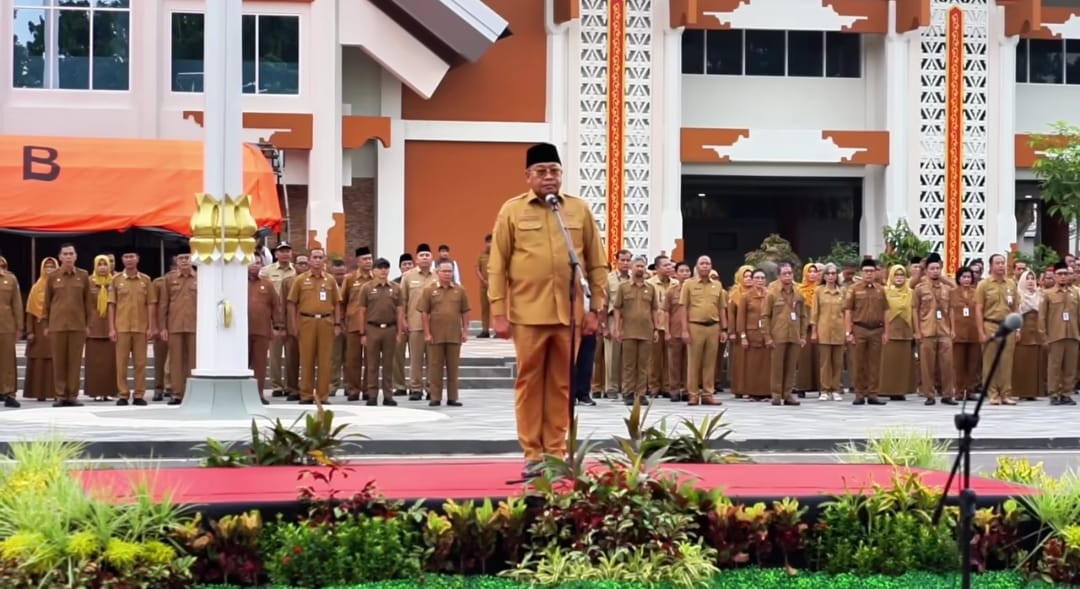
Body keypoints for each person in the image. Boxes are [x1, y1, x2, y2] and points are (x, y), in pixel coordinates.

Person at [488, 142, 607, 478]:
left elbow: (596, 263)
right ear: (528, 176)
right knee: (529, 383)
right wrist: (498, 311)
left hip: (570, 314)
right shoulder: (512, 210)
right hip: (528, 312)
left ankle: (555, 452)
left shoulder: (578, 209)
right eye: (541, 172)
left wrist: (596, 309)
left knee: (562, 384)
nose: (549, 177)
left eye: (554, 171)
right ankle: (532, 453)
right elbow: (497, 264)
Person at [43, 244, 94, 407]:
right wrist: (46, 324)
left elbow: (88, 303)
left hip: (78, 326)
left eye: (71, 253)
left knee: (75, 362)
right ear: (60, 257)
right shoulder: (53, 276)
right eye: (65, 254)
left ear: (76, 256)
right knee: (59, 361)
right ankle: (60, 395)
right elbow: (47, 302)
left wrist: (88, 324)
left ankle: (72, 395)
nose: (68, 257)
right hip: (57, 325)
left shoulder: (83, 276)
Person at [288, 248, 342, 405]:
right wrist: (294, 325)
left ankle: (322, 395)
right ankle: (306, 394)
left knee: (325, 360)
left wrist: (337, 323)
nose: (317, 260)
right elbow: (292, 303)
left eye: (320, 257)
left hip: (326, 322)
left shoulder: (330, 280)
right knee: (307, 359)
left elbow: (337, 303)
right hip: (307, 322)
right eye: (314, 257)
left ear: (324, 260)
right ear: (310, 260)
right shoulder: (300, 280)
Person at [418, 259, 471, 406]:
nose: (448, 274)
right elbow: (424, 312)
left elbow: (465, 311)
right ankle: (435, 397)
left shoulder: (460, 290)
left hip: (454, 334)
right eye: (444, 271)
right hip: (436, 335)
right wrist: (427, 333)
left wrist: (465, 331)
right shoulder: (429, 290)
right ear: (437, 272)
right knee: (435, 367)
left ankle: (453, 397)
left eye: (450, 271)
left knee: (453, 368)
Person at [109, 250, 156, 406]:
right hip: (121, 327)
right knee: (121, 363)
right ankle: (123, 394)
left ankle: (139, 394)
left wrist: (151, 327)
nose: (129, 259)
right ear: (122, 259)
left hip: (140, 328)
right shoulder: (116, 280)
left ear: (138, 259)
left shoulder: (146, 280)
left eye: (132, 256)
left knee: (140, 363)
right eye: (126, 257)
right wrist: (111, 328)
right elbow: (112, 305)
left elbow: (151, 304)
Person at [360, 257, 405, 406]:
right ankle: (372, 395)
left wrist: (399, 332)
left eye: (386, 268)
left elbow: (399, 311)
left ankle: (388, 395)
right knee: (372, 364)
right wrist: (363, 333)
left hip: (390, 329)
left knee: (388, 365)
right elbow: (362, 312)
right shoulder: (366, 288)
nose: (383, 271)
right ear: (374, 271)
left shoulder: (396, 288)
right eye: (380, 268)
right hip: (372, 329)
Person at [158, 252, 198, 405]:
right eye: (181, 258)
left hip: (194, 325)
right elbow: (164, 304)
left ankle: (192, 392)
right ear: (176, 261)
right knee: (175, 361)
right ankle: (177, 393)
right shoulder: (169, 279)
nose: (184, 261)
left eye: (187, 258)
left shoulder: (200, 278)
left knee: (193, 360)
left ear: (192, 259)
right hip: (174, 325)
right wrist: (163, 327)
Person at [248, 258, 283, 405]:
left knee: (260, 365)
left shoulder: (267, 284)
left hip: (261, 330)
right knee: (242, 366)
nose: (254, 265)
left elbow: (276, 305)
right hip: (241, 333)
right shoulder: (237, 283)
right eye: (251, 262)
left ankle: (259, 394)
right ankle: (242, 394)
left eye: (257, 263)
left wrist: (277, 326)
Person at [0, 257, 22, 408]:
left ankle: (8, 393)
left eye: (2, 265)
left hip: (6, 326)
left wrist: (19, 327)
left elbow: (17, 303)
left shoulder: (11, 279)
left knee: (7, 362)